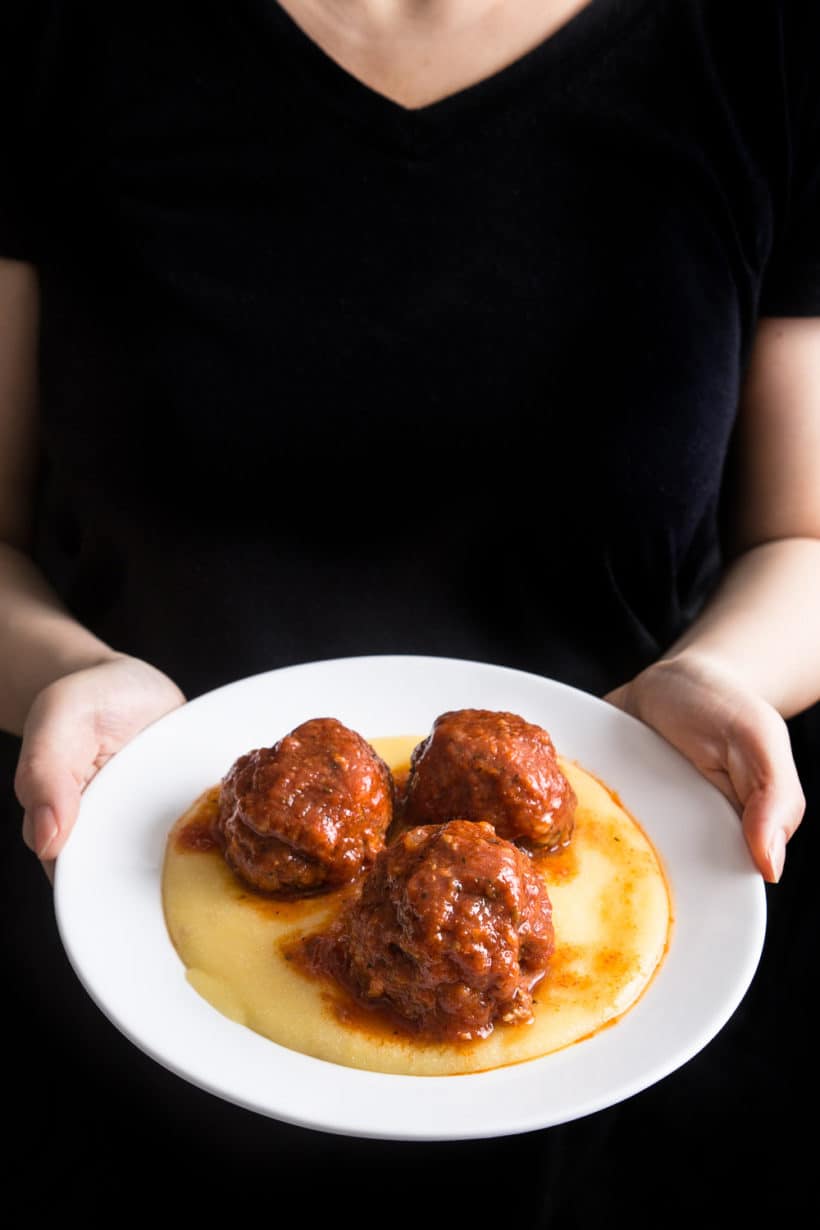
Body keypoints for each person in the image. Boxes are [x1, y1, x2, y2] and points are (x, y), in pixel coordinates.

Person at [2, 0, 819, 1219]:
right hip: (106, 975)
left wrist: (726, 675)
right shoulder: (52, 37)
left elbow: (803, 538)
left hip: (639, 1057)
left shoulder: (762, 49)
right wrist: (53, 668)